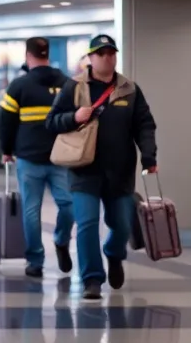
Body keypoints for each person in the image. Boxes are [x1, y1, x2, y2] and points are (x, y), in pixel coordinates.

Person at [46, 34, 157, 301]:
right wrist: (74, 116)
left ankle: (114, 254)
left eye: (111, 53)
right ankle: (91, 279)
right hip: (84, 170)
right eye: (101, 53)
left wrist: (149, 157)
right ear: (91, 58)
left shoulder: (129, 89)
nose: (107, 57)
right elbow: (51, 122)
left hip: (119, 172)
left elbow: (144, 125)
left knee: (120, 224)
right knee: (87, 224)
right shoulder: (73, 87)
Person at [0, 37, 74, 278]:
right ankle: (61, 240)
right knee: (69, 205)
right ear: (47, 54)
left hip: (29, 158)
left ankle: (35, 261)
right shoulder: (66, 83)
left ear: (28, 55)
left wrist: (6, 150)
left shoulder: (19, 85)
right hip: (60, 157)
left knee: (31, 210)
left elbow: (6, 121)